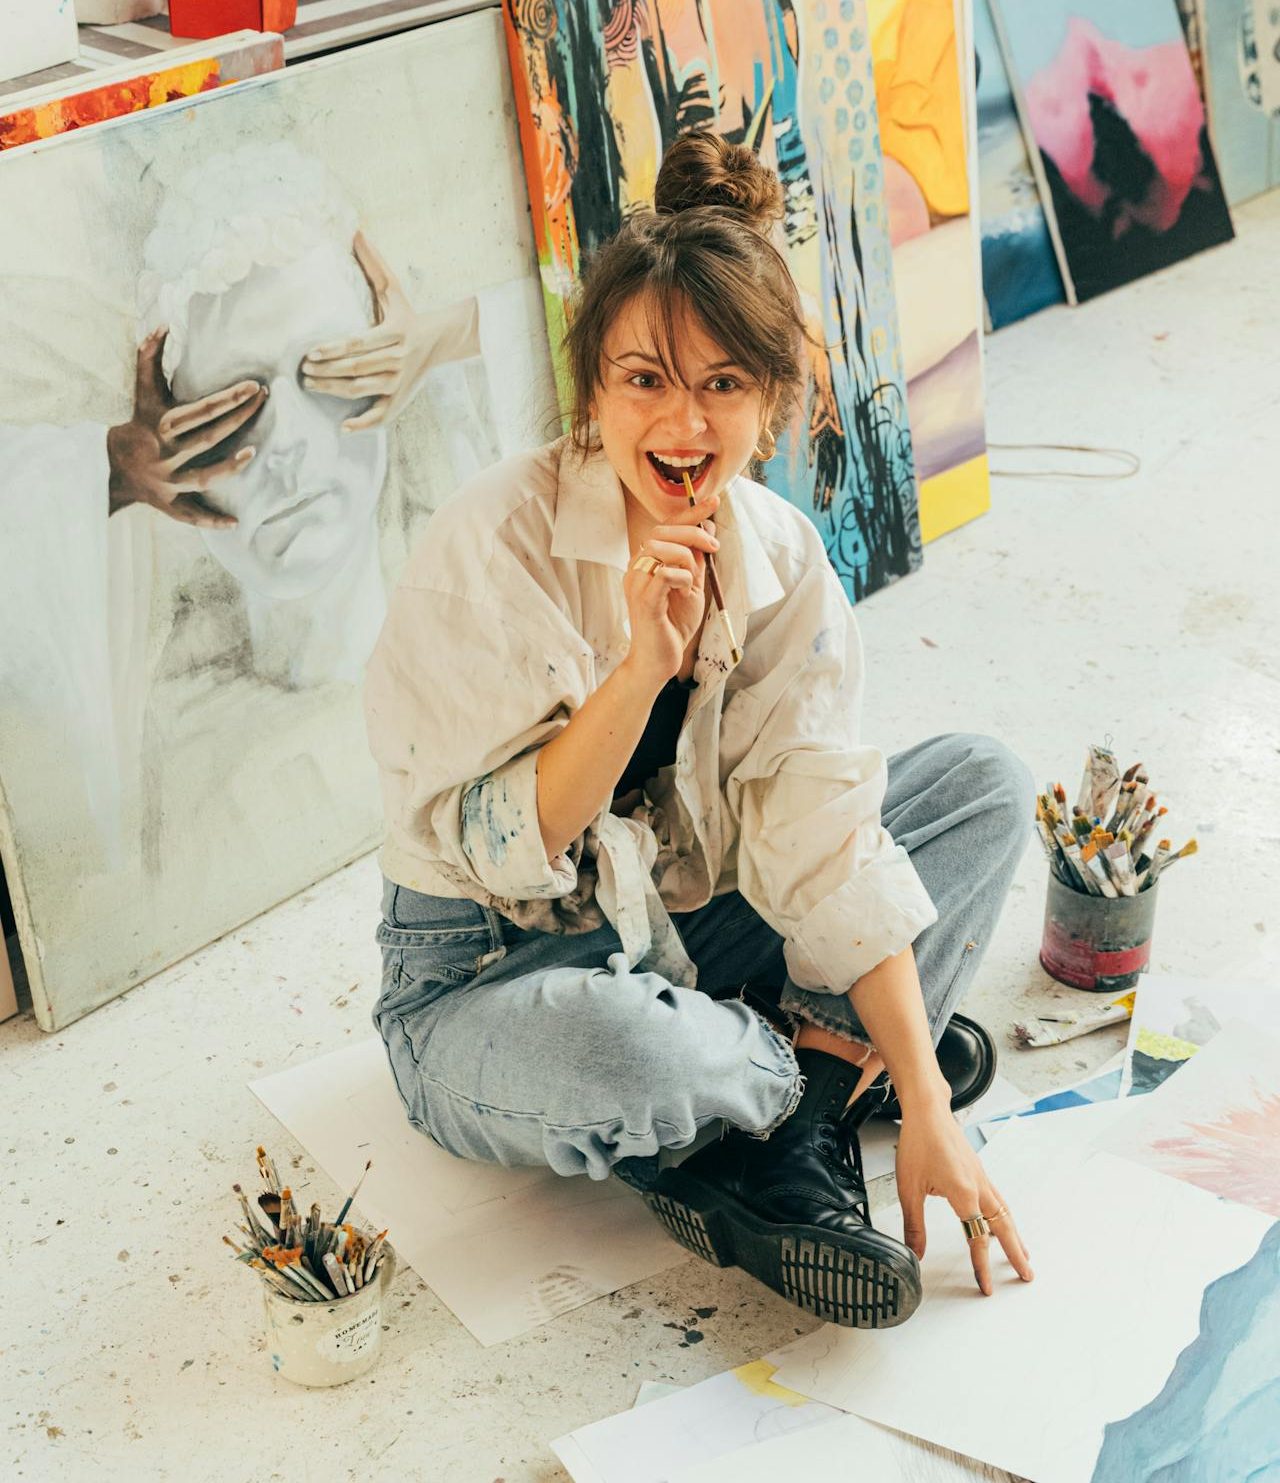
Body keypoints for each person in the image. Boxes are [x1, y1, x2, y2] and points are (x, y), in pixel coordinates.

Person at [364, 132, 1036, 1329]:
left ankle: (792, 1117)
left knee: (978, 786)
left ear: (771, 405)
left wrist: (929, 1104)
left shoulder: (777, 553)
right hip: (491, 970)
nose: (682, 422)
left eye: (723, 383)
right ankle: (809, 1081)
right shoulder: (490, 548)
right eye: (645, 380)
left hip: (692, 924)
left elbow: (818, 835)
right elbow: (499, 851)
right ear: (594, 391)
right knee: (637, 1056)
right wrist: (639, 670)